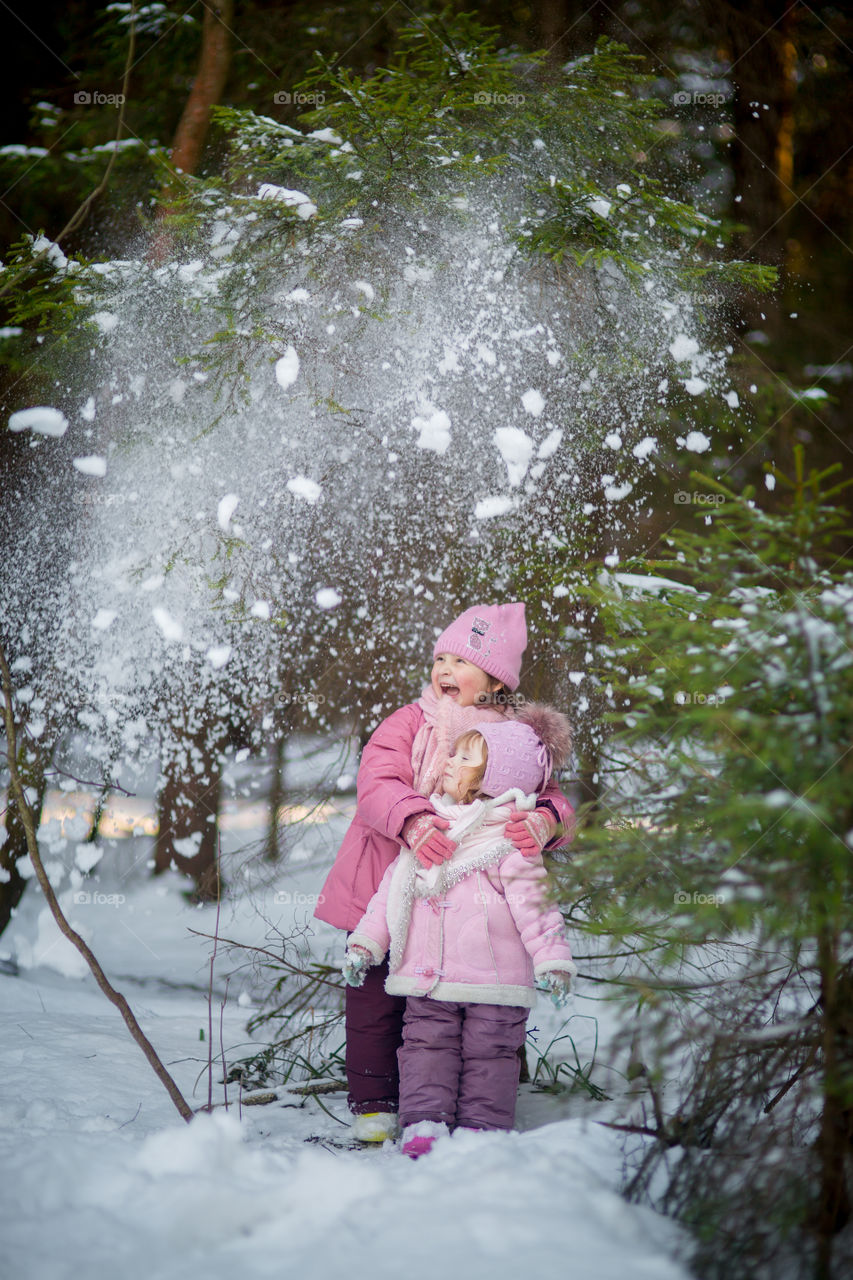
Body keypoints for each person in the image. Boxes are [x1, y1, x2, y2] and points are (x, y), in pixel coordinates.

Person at [313, 601, 575, 1142]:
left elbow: (550, 796)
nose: (445, 670)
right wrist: (411, 820)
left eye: (462, 660)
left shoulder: (518, 735)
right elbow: (377, 780)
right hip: (385, 876)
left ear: (496, 680)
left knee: (474, 998)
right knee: (377, 1001)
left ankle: (469, 1106)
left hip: (471, 901)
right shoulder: (413, 720)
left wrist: (548, 820)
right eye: (441, 657)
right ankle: (375, 1101)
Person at [342, 716, 576, 1157]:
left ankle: (483, 1131)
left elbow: (536, 906)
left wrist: (552, 960)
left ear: (493, 779)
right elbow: (392, 892)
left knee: (491, 1055)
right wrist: (365, 943)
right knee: (426, 1048)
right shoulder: (429, 826)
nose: (447, 761)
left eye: (464, 757)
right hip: (430, 977)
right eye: (452, 753)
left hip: (496, 982)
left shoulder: (510, 839)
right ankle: (424, 1125)